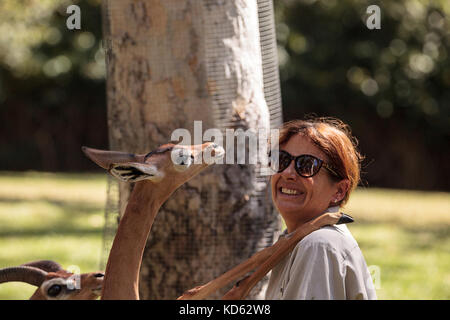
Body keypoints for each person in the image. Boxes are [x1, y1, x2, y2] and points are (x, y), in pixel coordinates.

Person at [265, 117, 377, 300]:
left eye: (307, 165)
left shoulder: (318, 245)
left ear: (339, 191)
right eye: (282, 160)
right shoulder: (297, 240)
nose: (287, 173)